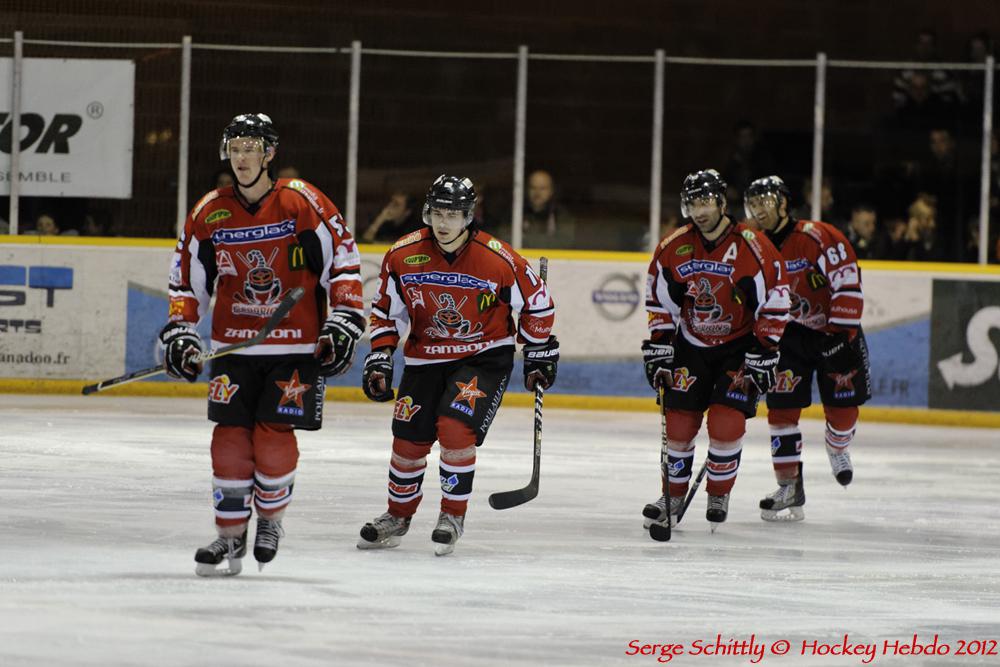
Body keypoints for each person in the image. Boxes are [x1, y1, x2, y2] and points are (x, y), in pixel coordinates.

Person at [162, 113, 365, 576]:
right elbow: (187, 281)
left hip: (296, 348)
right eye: (235, 149)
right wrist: (181, 328)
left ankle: (270, 522)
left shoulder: (301, 201)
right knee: (229, 440)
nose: (242, 158)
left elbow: (343, 262)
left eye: (251, 149)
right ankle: (230, 535)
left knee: (273, 438)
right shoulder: (210, 211)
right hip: (234, 349)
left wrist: (345, 318)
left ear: (269, 154)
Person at [358, 174, 558, 555]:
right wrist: (381, 353)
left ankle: (452, 515)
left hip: (482, 357)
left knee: (454, 428)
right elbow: (385, 311)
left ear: (468, 216)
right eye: (437, 212)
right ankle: (397, 515)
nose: (443, 222)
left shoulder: (498, 258)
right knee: (408, 439)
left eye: (452, 214)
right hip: (425, 358)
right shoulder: (403, 254)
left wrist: (539, 348)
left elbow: (539, 304)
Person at [640, 169, 789, 532]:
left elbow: (776, 297)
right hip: (691, 346)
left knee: (726, 422)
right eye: (693, 203)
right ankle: (672, 496)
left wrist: (765, 347)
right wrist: (660, 344)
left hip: (739, 348)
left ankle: (718, 493)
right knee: (678, 424)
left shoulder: (753, 245)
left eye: (706, 201)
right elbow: (659, 300)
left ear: (722, 202)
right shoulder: (674, 246)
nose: (700, 211)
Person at [744, 176, 871, 522]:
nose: (758, 210)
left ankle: (837, 445)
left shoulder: (819, 236)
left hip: (834, 333)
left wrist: (842, 333)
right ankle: (789, 486)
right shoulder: (752, 246)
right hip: (789, 336)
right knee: (781, 410)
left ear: (784, 203)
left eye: (764, 202)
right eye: (752, 204)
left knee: (843, 410)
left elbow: (848, 281)